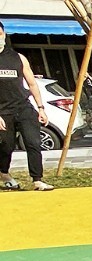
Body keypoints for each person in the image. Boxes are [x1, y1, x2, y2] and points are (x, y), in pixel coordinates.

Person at [0, 20, 54, 191]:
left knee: (33, 143)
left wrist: (41, 108)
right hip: (3, 112)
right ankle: (3, 173)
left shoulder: (18, 58)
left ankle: (37, 180)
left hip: (24, 108)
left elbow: (32, 84)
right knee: (6, 147)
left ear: (4, 35)